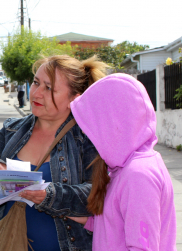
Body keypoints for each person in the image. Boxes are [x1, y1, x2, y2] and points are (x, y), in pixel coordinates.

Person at [0, 55, 108, 251]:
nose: (36, 93)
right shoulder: (11, 129)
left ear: (74, 99)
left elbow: (98, 195)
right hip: (10, 241)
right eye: (36, 83)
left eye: (49, 88)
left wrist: (48, 195)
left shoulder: (87, 139)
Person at [68, 73, 177, 250]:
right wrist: (84, 220)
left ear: (113, 123)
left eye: (95, 125)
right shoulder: (125, 167)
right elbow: (119, 228)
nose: (88, 135)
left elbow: (142, 246)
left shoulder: (138, 176)